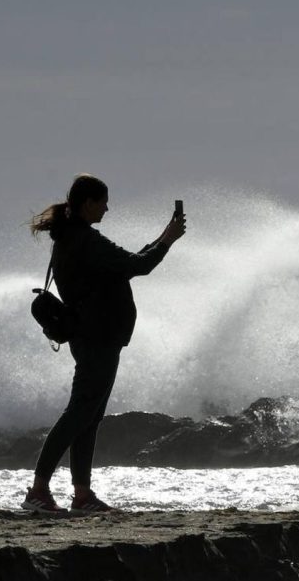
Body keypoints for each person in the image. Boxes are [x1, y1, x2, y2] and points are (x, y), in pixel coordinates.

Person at [23, 174, 186, 513]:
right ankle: (39, 491)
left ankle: (82, 494)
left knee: (88, 416)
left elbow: (127, 264)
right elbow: (138, 266)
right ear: (88, 203)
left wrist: (163, 237)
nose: (107, 208)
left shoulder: (70, 239)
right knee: (79, 413)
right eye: (103, 202)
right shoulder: (85, 241)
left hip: (93, 337)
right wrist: (168, 240)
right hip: (97, 337)